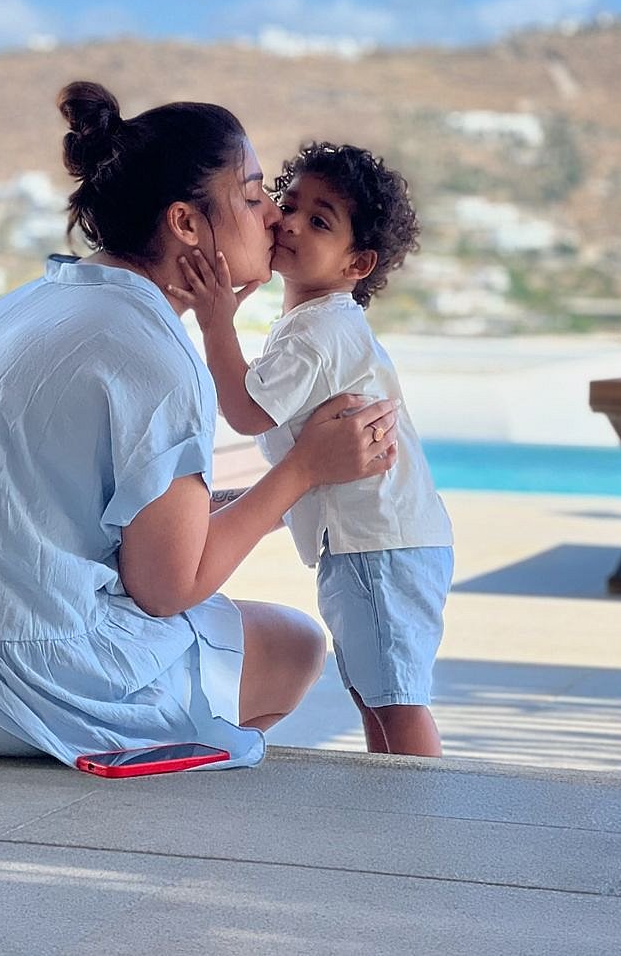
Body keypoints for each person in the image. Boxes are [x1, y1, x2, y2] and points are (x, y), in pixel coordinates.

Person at [0, 85, 398, 770]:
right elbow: (168, 588)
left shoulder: (26, 306)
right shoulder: (152, 351)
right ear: (185, 223)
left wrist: (258, 502)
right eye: (253, 196)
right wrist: (304, 470)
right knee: (295, 646)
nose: (275, 217)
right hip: (4, 690)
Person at [170, 142, 454, 756]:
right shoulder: (323, 326)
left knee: (395, 700)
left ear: (358, 263)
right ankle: (394, 797)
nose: (291, 223)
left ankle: (424, 805)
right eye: (289, 204)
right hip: (384, 539)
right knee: (377, 693)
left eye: (320, 221)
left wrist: (216, 322)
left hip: (377, 544)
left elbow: (247, 411)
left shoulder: (317, 332)